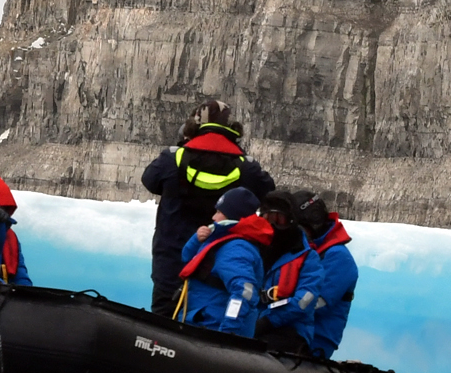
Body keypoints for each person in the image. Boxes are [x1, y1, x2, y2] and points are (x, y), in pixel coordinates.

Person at [142, 101, 276, 312]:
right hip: (221, 258)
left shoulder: (173, 158)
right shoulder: (246, 167)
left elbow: (150, 181)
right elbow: (267, 193)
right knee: (209, 317)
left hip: (171, 254)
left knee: (164, 314)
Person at [257, 191, 358, 359]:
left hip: (313, 339)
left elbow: (314, 303)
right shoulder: (292, 251)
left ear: (312, 224)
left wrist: (268, 317)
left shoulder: (338, 258)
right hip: (278, 328)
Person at [174, 185, 273, 336]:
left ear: (232, 216)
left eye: (219, 212)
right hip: (199, 321)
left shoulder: (236, 248)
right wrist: (196, 240)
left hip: (211, 328)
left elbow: (245, 292)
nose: (214, 217)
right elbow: (187, 258)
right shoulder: (221, 239)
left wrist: (227, 333)